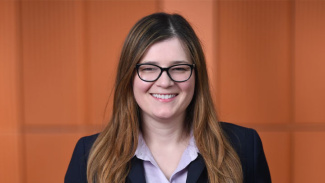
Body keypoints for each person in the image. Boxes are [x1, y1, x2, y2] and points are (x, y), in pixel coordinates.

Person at [65, 12, 271, 183]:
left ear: (197, 76)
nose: (165, 82)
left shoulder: (243, 147)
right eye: (148, 68)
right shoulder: (89, 155)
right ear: (129, 76)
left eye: (179, 68)